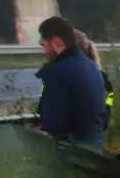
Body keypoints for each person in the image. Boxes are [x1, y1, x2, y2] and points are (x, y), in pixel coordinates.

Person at [33, 16, 108, 147]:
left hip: (71, 152)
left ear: (56, 42)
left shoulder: (57, 72)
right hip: (95, 148)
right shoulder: (92, 67)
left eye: (43, 45)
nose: (43, 52)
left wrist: (36, 130)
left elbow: (54, 122)